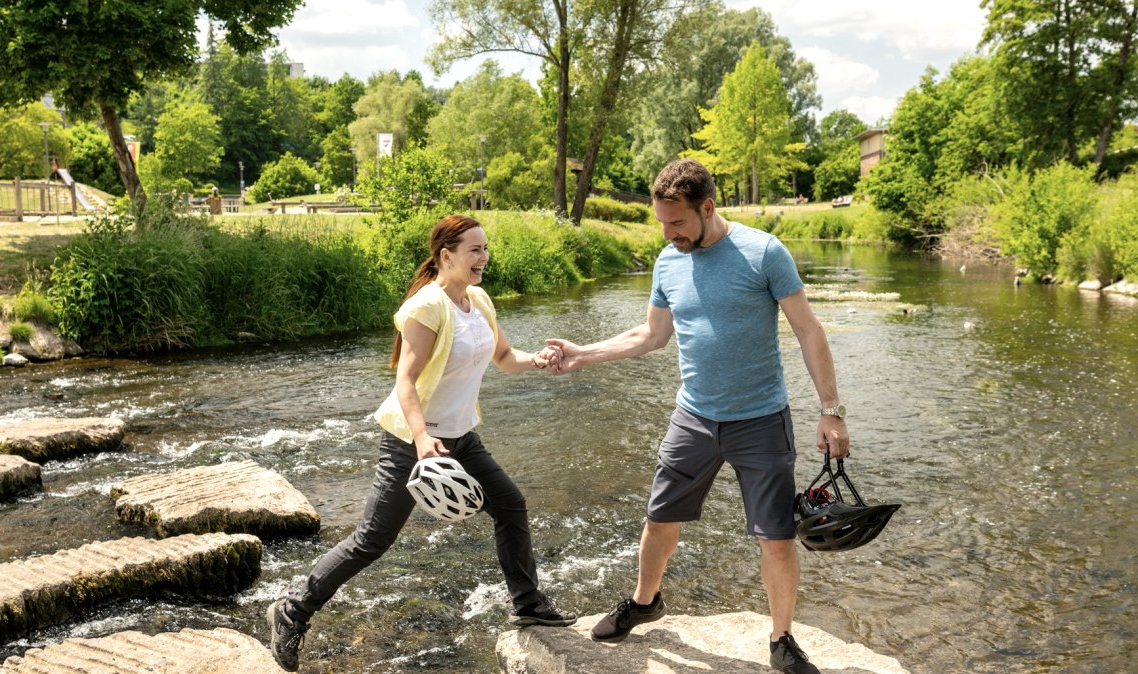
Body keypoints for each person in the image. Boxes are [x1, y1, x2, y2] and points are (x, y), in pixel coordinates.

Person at [540, 159, 851, 674]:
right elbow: (651, 335)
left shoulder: (764, 252)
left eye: (678, 222)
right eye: (661, 223)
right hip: (694, 418)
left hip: (761, 419)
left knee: (775, 536)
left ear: (708, 207)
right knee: (659, 519)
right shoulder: (667, 261)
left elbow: (809, 331)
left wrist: (831, 411)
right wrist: (582, 353)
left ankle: (782, 639)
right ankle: (645, 602)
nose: (668, 234)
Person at [265, 214, 577, 672]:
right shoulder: (428, 307)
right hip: (411, 441)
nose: (484, 257)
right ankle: (292, 610)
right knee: (373, 540)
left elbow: (506, 358)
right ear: (445, 256)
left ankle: (527, 602)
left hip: (460, 438)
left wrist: (540, 359)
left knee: (511, 506)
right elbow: (404, 380)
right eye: (474, 250)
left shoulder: (479, 299)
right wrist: (421, 437)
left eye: (485, 248)